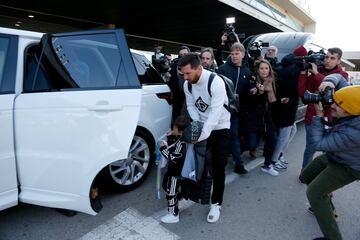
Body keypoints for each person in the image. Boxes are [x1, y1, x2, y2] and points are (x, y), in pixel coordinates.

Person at [299, 75, 360, 240]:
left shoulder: (355, 133)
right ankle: (326, 203)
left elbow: (318, 144)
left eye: (336, 105)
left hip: (349, 166)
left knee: (314, 193)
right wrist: (330, 81)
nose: (331, 105)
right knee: (306, 176)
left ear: (348, 110)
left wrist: (319, 116)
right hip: (337, 155)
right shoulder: (353, 102)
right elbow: (340, 78)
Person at [178, 53, 230, 223]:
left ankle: (216, 203)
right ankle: (188, 193)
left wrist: (203, 134)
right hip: (202, 126)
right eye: (183, 74)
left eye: (188, 73)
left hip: (220, 127)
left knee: (218, 167)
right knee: (193, 162)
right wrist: (197, 125)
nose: (185, 77)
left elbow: (215, 113)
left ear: (199, 68)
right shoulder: (188, 84)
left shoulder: (215, 82)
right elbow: (191, 105)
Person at [298, 47, 348, 170]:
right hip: (313, 118)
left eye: (332, 58)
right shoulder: (317, 71)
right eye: (326, 57)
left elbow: (332, 92)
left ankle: (323, 178)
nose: (328, 60)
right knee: (310, 148)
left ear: (338, 61)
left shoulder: (342, 75)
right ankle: (305, 174)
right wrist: (303, 74)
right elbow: (303, 93)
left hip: (333, 120)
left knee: (329, 152)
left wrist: (317, 74)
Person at [239, 59, 278, 176]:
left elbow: (272, 101)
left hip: (266, 117)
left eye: (267, 68)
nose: (264, 71)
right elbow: (248, 95)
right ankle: (233, 149)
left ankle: (267, 165)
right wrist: (258, 92)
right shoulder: (252, 80)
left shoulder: (271, 81)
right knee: (251, 144)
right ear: (258, 70)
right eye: (262, 68)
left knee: (272, 140)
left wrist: (270, 90)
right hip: (252, 118)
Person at [218, 42, 252, 174]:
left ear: (243, 54)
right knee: (222, 136)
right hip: (222, 109)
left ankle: (238, 164)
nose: (234, 56)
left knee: (234, 136)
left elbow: (248, 91)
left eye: (237, 54)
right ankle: (220, 162)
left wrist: (253, 91)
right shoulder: (222, 69)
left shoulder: (247, 71)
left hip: (237, 111)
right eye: (232, 54)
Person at [271, 46, 306, 170]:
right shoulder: (296, 68)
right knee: (284, 134)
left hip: (287, 103)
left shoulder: (285, 64)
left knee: (292, 130)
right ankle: (274, 159)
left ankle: (279, 155)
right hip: (287, 104)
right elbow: (295, 88)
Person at [159, 115, 190, 224]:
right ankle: (179, 197)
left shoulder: (181, 144)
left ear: (180, 131)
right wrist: (171, 137)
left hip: (176, 173)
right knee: (166, 186)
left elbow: (173, 158)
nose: (172, 129)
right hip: (177, 171)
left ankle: (173, 214)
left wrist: (162, 148)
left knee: (170, 193)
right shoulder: (184, 138)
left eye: (174, 128)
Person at [168, 46, 191, 121]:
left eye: (185, 54)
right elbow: (171, 82)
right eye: (181, 55)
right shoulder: (174, 67)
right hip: (178, 100)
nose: (183, 56)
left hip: (191, 101)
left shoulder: (195, 67)